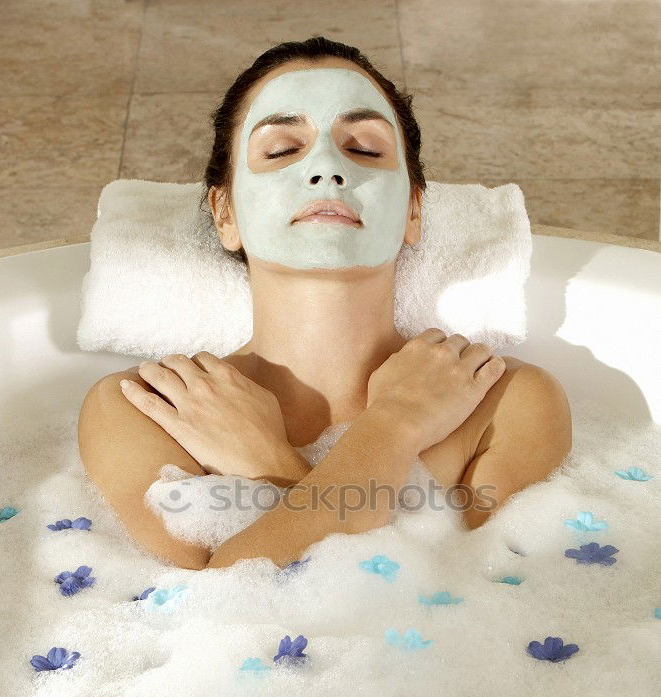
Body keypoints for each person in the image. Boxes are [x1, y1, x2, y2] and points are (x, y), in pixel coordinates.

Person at [78, 36, 572, 572]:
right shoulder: (149, 407)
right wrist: (395, 427)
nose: (327, 170)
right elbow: (207, 609)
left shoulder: (505, 401)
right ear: (226, 214)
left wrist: (272, 463)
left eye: (363, 149)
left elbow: (473, 612)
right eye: (282, 150)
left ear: (412, 212)